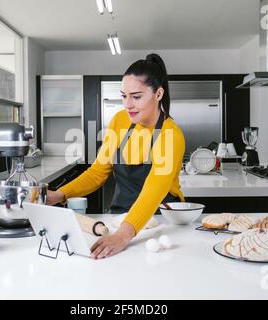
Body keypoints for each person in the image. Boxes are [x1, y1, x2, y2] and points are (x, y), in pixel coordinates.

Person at [46, 53, 185, 259]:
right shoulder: (120, 121)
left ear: (158, 94)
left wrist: (123, 236)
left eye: (136, 96)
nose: (127, 104)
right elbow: (97, 173)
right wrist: (59, 195)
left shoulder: (170, 134)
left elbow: (154, 189)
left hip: (160, 222)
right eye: (124, 96)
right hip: (119, 219)